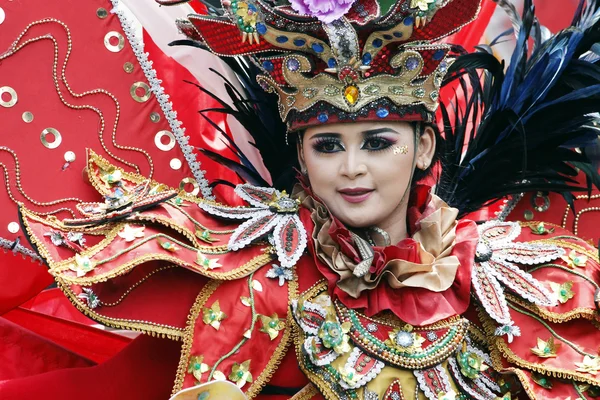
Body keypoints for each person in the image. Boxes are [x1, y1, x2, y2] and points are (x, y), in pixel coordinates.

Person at [2, 0, 600, 398]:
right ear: (301, 158)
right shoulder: (252, 277)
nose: (352, 169)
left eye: (379, 141)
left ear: (423, 149)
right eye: (328, 145)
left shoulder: (511, 277)